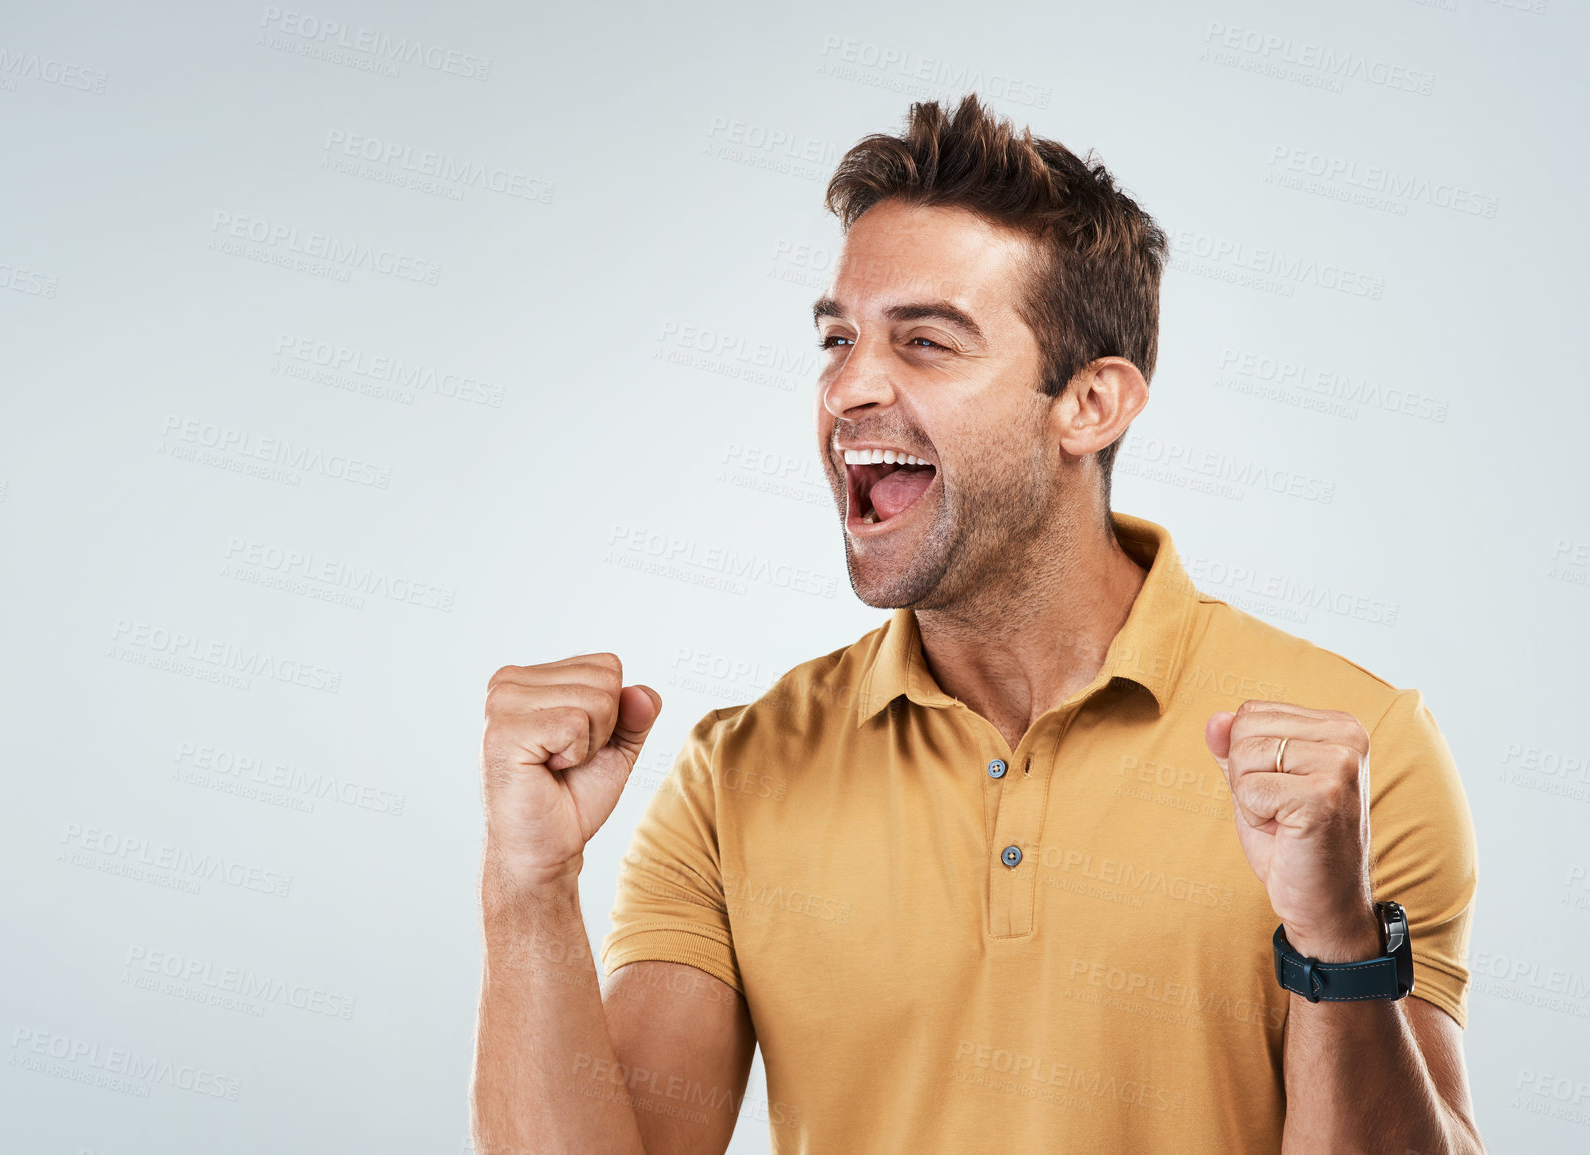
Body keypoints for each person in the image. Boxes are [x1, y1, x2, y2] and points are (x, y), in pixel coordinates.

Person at [470, 93, 1483, 1154]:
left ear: (1090, 404)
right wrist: (526, 886)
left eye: (926, 342)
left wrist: (1336, 942)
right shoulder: (740, 770)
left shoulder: (1352, 756)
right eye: (838, 339)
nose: (849, 386)